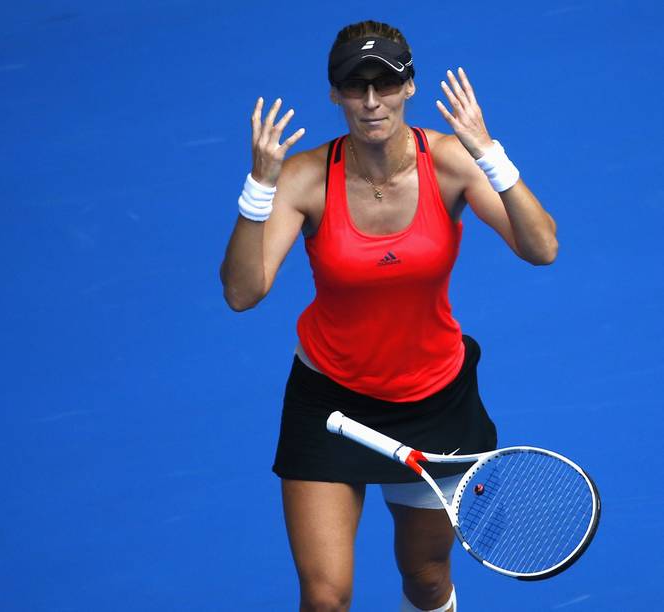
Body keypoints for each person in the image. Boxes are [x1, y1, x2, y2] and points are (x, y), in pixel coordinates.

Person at [219, 19, 558, 612]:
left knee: (426, 578)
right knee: (324, 599)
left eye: (385, 82)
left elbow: (541, 248)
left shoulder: (451, 162)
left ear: (409, 87)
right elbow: (243, 293)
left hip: (435, 402)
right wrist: (259, 187)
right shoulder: (303, 178)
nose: (371, 101)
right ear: (335, 94)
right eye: (355, 86)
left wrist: (490, 155)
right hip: (329, 403)